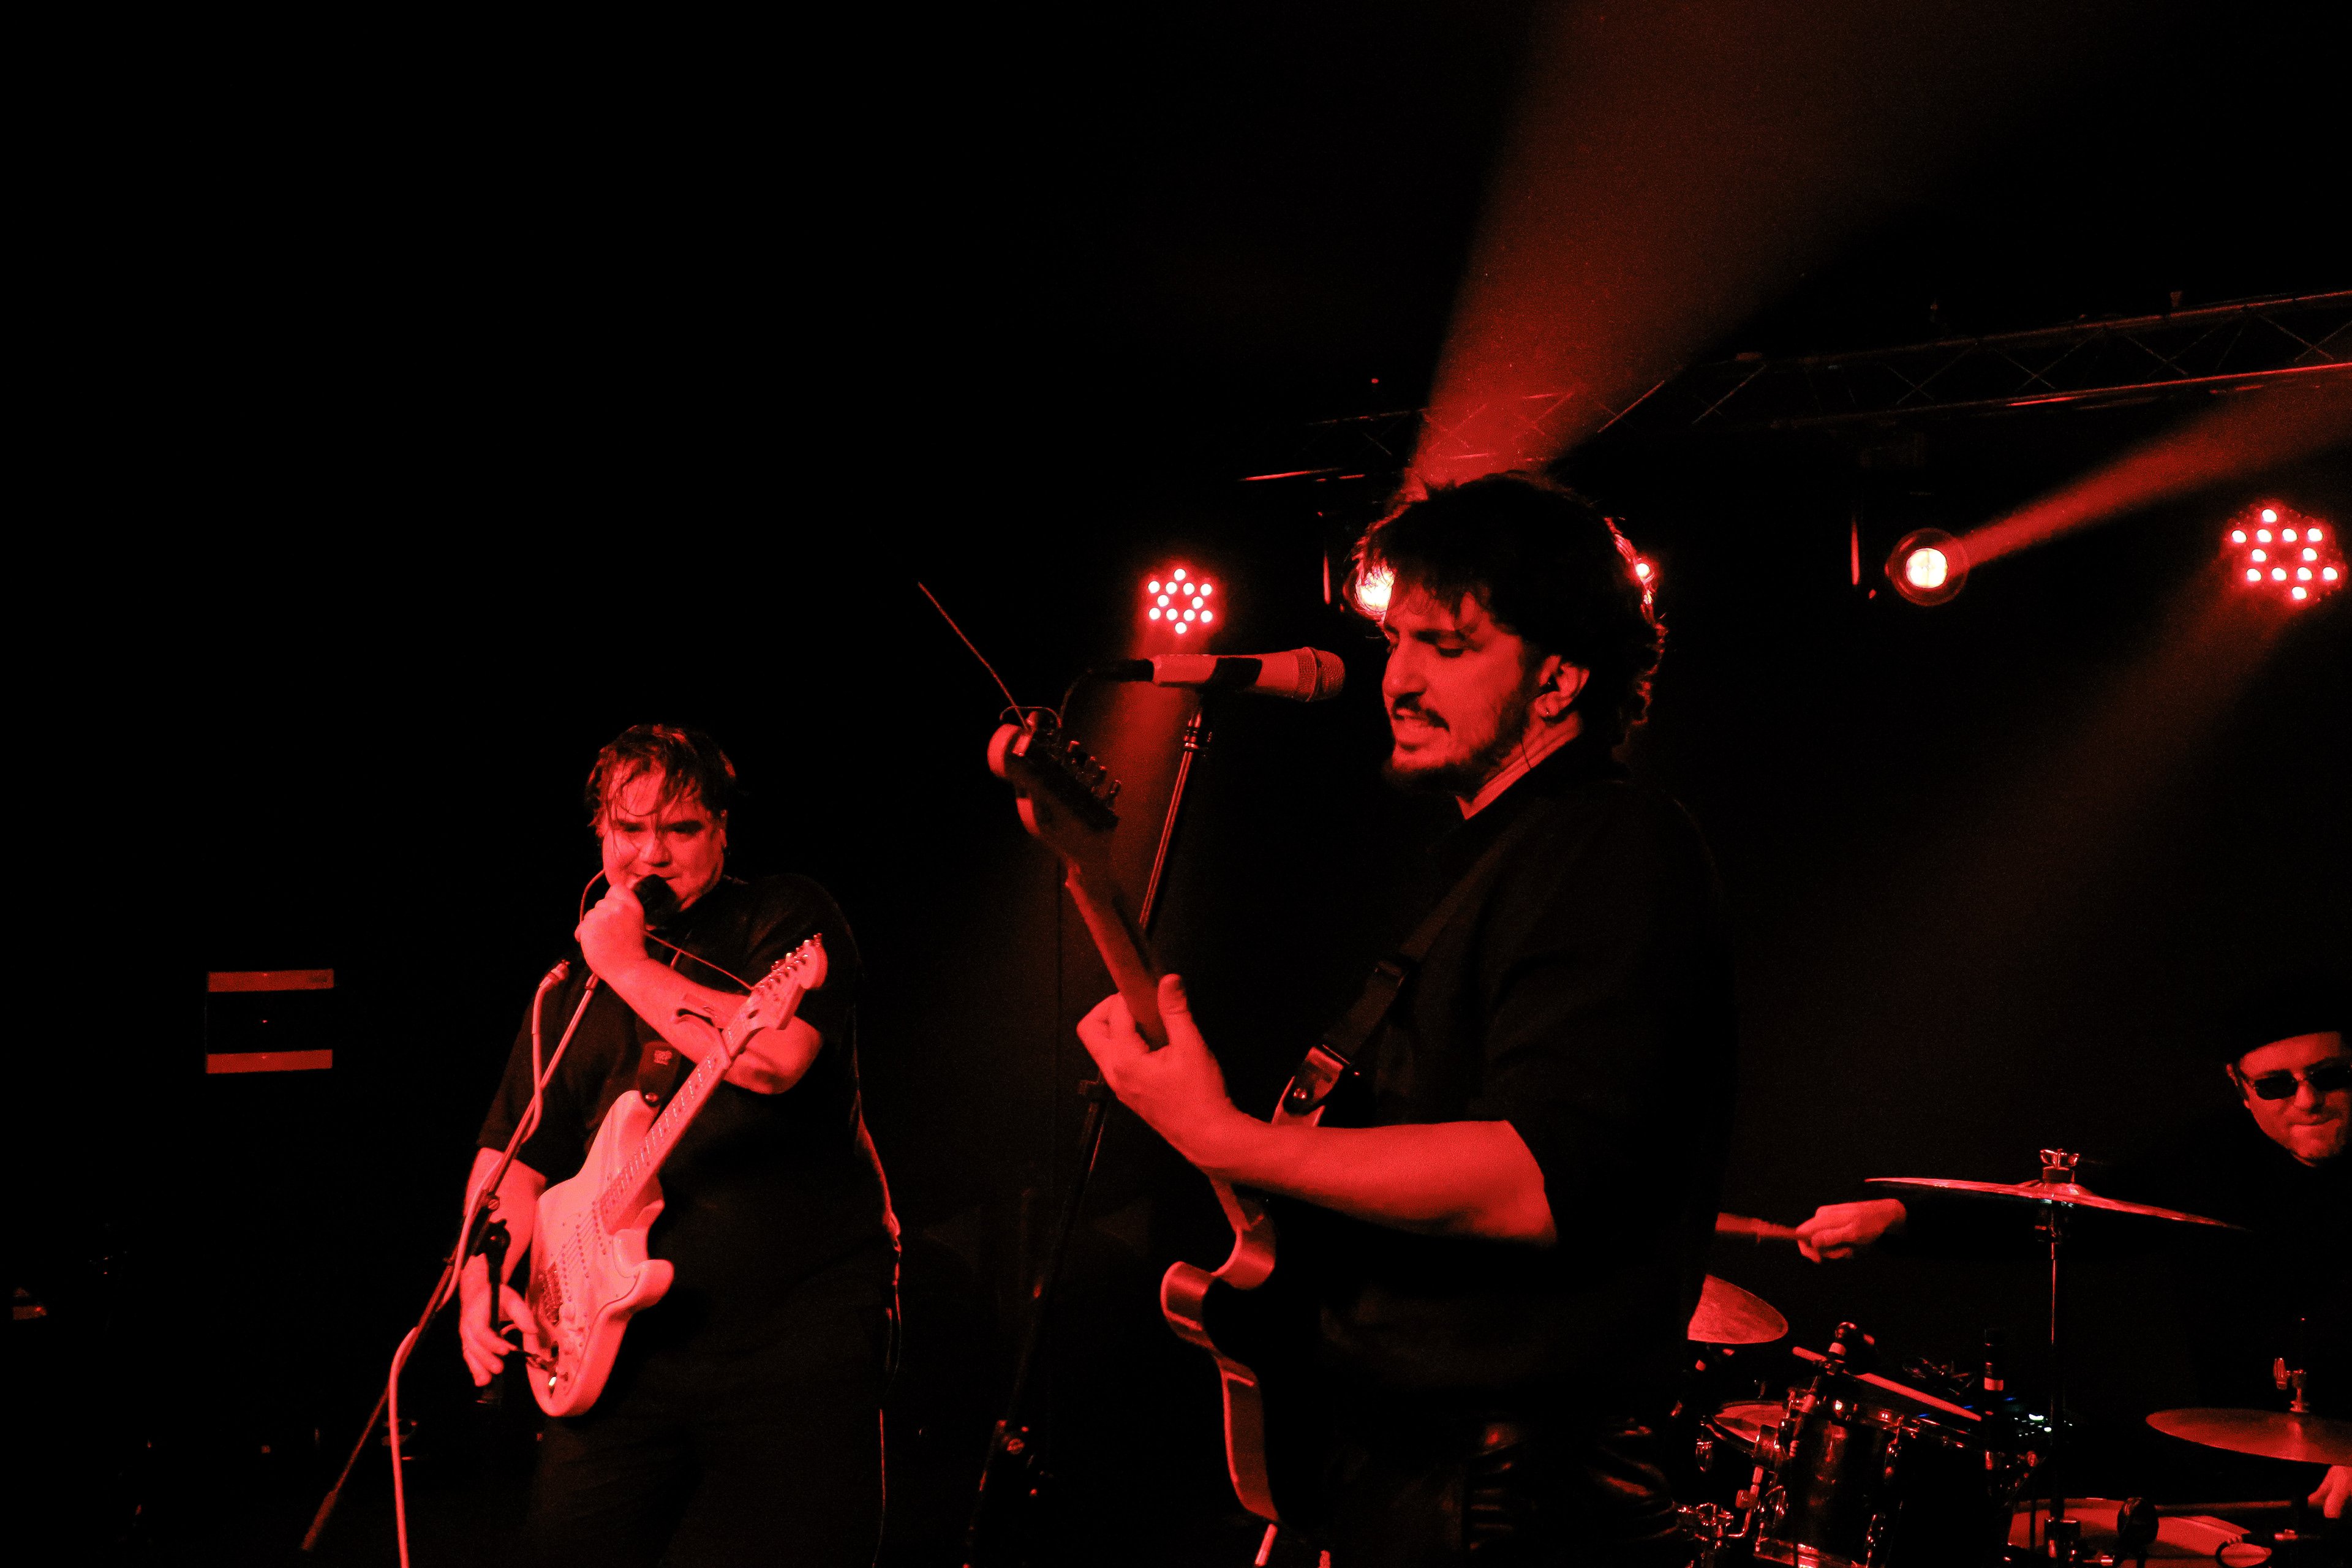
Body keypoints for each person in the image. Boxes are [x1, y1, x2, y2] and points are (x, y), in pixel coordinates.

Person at [1077, 473, 1738, 1566]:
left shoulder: (1616, 849)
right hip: (1411, 1480)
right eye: (1395, 641)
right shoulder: (1491, 861)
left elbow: (1535, 1180)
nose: (1399, 680)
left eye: (1446, 645)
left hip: (1511, 1504)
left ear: (1560, 676)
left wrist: (1227, 1138)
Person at [456, 723, 898, 1567]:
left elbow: (776, 1059)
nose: (652, 853)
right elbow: (514, 1153)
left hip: (791, 1340)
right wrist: (484, 1275)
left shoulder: (785, 915)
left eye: (682, 828)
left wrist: (626, 964)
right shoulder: (569, 990)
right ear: (599, 831)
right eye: (630, 828)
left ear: (722, 831)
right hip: (619, 1350)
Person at [1794, 972, 2350, 1520]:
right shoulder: (2211, 1162)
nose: (2307, 1100)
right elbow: (2060, 1215)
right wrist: (1899, 1216)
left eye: (2330, 1076)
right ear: (2241, 1088)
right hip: (2257, 1481)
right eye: (2276, 1085)